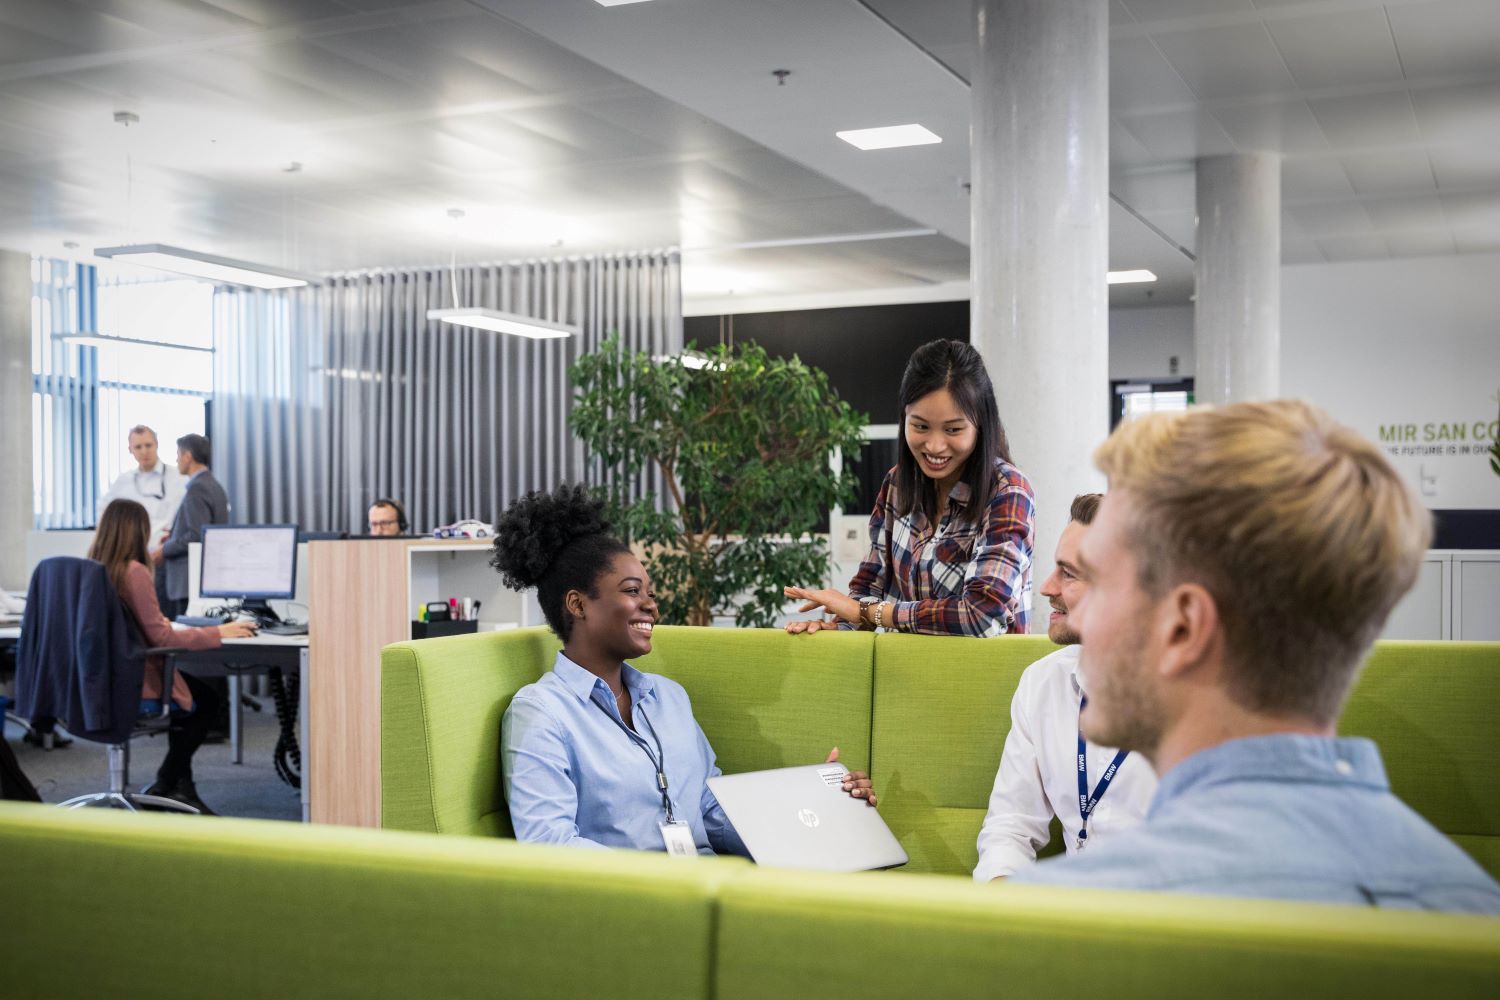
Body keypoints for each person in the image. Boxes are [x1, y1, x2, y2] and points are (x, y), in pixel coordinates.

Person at [1011, 401, 1500, 914]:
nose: (1081, 621)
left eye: (1102, 583)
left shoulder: (1054, 927)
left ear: (1183, 628)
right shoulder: (1472, 911)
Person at [494, 483, 876, 854]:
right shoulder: (541, 714)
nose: (651, 605)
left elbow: (709, 811)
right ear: (578, 605)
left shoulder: (668, 697)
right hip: (638, 893)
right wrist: (669, 881)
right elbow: (550, 844)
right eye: (632, 591)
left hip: (707, 882)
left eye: (650, 593)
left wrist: (812, 807)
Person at [784, 339, 1034, 637]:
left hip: (983, 668)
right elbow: (868, 588)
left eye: (953, 429)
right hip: (901, 666)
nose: (935, 446)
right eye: (920, 426)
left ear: (981, 425)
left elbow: (983, 614)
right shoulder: (897, 484)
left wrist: (871, 612)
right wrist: (837, 626)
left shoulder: (1007, 491)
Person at [973, 493, 1157, 881]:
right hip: (1069, 910)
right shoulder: (1042, 683)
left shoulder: (1207, 702)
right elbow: (1011, 827)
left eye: (1068, 574)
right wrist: (1001, 895)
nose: (1046, 587)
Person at [91, 499, 256, 814]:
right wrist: (220, 631)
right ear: (138, 532)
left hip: (102, 681)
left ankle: (177, 785)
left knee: (195, 697)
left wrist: (160, 623)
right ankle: (167, 781)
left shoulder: (94, 568)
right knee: (205, 701)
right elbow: (162, 639)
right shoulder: (134, 571)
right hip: (134, 682)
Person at [152, 433, 228, 619]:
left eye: (178, 454)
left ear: (187, 456)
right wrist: (174, 535)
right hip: (203, 578)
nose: (176, 460)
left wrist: (164, 549)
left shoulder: (197, 488)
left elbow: (196, 536)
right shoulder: (213, 485)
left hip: (187, 582)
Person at [98, 424, 186, 546]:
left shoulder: (179, 478)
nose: (144, 451)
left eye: (148, 445)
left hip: (165, 549)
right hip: (131, 549)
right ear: (130, 449)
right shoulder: (123, 481)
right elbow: (103, 512)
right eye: (138, 447)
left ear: (157, 444)